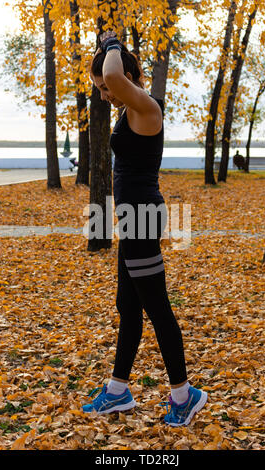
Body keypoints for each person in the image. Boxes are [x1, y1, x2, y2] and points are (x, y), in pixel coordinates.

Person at [82, 30, 208, 426]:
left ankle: (184, 396)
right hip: (131, 220)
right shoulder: (130, 109)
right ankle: (118, 392)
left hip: (142, 220)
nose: (105, 95)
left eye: (104, 87)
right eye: (100, 90)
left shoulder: (146, 106)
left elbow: (118, 79)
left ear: (124, 72)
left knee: (158, 309)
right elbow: (115, 83)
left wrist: (112, 45)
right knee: (128, 306)